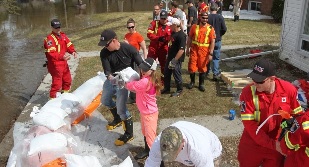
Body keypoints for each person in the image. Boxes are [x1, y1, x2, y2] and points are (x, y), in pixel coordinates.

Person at [238, 59, 303, 167]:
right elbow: (250, 125)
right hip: (253, 142)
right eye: (254, 79)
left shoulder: (289, 90)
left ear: (272, 79)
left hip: (277, 144)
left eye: (260, 81)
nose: (255, 84)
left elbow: (298, 116)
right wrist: (273, 145)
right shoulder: (247, 92)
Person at [98, 29, 143, 146]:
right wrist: (111, 78)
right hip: (112, 78)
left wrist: (144, 79)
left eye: (107, 44)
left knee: (121, 108)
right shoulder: (104, 53)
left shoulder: (128, 49)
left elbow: (141, 64)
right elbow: (107, 71)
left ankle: (129, 134)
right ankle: (117, 119)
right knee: (105, 100)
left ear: (114, 40)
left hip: (125, 80)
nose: (105, 47)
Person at [125, 58, 162, 159]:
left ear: (152, 70)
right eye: (142, 69)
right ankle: (147, 151)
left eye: (145, 70)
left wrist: (123, 82)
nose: (142, 71)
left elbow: (131, 86)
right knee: (145, 132)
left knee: (151, 139)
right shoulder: (147, 78)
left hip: (149, 114)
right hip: (145, 112)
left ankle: (158, 161)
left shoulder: (145, 82)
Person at [144, 121, 222, 167]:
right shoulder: (159, 143)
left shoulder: (198, 150)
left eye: (173, 153)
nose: (169, 157)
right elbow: (151, 164)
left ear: (182, 142)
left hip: (212, 153)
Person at [43, 19, 77, 99]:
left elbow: (69, 45)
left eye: (59, 27)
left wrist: (73, 52)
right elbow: (51, 53)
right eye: (56, 28)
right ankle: (52, 99)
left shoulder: (63, 35)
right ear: (52, 28)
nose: (58, 29)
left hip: (63, 63)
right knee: (57, 84)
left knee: (67, 80)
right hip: (55, 64)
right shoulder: (49, 39)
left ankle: (64, 95)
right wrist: (62, 56)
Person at [186, 12, 215, 92]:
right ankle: (192, 82)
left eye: (206, 18)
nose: (205, 19)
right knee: (192, 66)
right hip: (194, 49)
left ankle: (201, 84)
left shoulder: (210, 28)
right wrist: (187, 48)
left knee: (202, 67)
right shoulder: (194, 27)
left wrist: (211, 53)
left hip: (204, 51)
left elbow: (212, 41)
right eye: (203, 18)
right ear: (200, 18)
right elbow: (189, 38)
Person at [124, 18, 148, 104]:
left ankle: (137, 97)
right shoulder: (126, 36)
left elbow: (144, 48)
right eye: (129, 27)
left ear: (135, 26)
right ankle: (133, 96)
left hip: (136, 58)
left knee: (136, 77)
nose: (131, 29)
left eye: (132, 27)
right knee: (129, 77)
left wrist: (145, 60)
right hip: (128, 59)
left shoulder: (138, 36)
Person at [161, 18, 186, 97]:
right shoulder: (173, 32)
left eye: (171, 25)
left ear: (175, 25)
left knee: (176, 73)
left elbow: (181, 50)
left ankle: (179, 89)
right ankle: (166, 88)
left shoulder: (181, 36)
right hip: (170, 57)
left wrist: (175, 60)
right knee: (166, 72)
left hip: (176, 58)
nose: (170, 26)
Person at [147, 10, 172, 81]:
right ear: (159, 17)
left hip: (163, 48)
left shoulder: (169, 26)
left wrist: (167, 40)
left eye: (164, 18)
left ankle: (163, 81)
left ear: (167, 18)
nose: (163, 20)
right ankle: (149, 79)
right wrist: (158, 38)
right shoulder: (154, 23)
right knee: (150, 64)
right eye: (162, 18)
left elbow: (171, 38)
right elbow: (149, 34)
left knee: (164, 65)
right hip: (153, 47)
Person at [206, 2, 227, 81]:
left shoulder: (207, 17)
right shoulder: (220, 17)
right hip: (217, 39)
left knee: (208, 56)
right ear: (217, 9)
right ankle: (215, 73)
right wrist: (220, 34)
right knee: (216, 57)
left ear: (210, 9)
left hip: (208, 40)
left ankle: (206, 71)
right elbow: (224, 29)